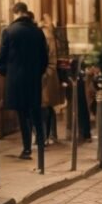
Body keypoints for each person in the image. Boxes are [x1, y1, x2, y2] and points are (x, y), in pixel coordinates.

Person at [0, 3, 48, 162]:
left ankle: (26, 149)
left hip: (16, 80)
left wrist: (8, 73)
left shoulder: (9, 32)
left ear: (15, 13)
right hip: (33, 79)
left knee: (22, 114)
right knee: (36, 111)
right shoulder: (38, 32)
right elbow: (44, 59)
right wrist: (37, 72)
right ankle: (41, 143)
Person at [39, 12, 62, 146]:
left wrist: (47, 72)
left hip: (46, 75)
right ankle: (51, 134)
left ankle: (47, 135)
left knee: (45, 105)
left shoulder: (47, 35)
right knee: (47, 105)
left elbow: (52, 55)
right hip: (48, 73)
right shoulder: (49, 34)